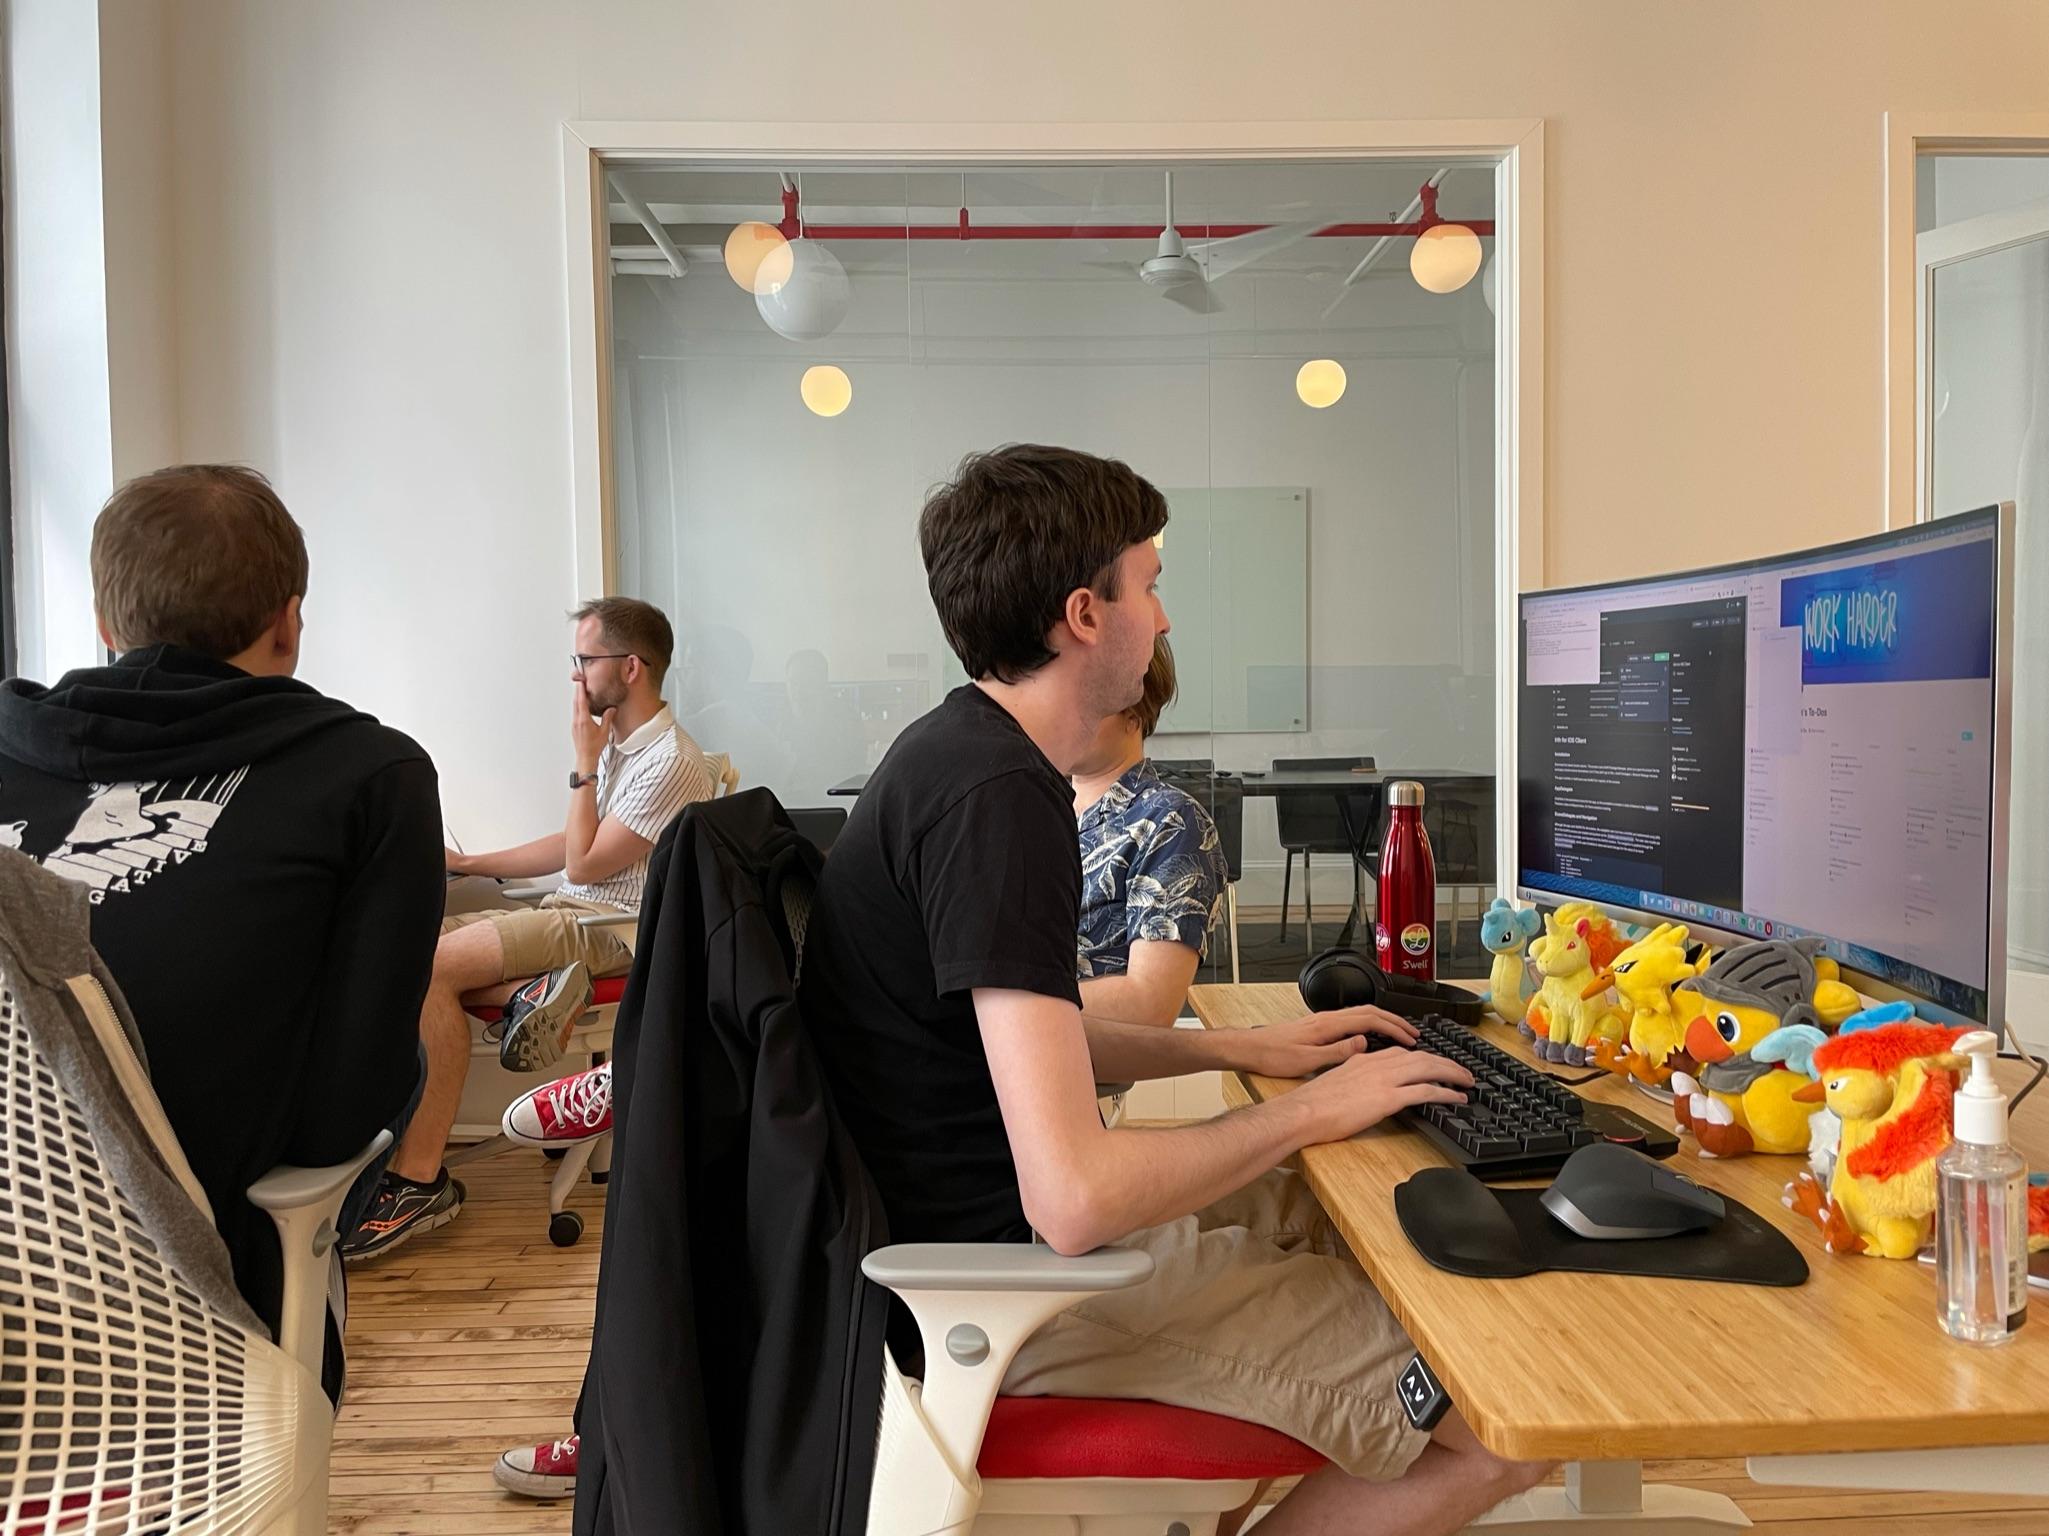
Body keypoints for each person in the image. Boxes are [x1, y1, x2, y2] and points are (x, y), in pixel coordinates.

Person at [796, 443, 1551, 1536]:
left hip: (1002, 1236)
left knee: (1365, 1205)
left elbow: (1038, 1045)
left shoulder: (956, 760)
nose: (1164, 618)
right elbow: (1076, 1197)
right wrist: (1306, 1111)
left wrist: (1241, 1054)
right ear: (1083, 615)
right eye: (1149, 584)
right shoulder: (998, 803)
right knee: (1500, 1408)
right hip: (1024, 1288)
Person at [0, 464, 439, 1399]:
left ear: (105, 622)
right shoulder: (370, 778)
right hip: (199, 1313)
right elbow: (345, 1107)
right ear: (288, 621)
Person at [343, 597, 713, 1261]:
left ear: (630, 668)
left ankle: (419, 1179)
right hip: (564, 915)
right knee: (404, 952)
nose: (575, 676)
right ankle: (527, 994)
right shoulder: (625, 748)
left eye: (584, 660)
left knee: (432, 972)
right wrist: (472, 863)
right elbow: (576, 843)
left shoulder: (673, 762)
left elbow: (583, 860)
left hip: (605, 930)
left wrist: (580, 760)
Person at [1072, 636, 1228, 1027]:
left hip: (1071, 1064)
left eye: (1083, 693)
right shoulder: (1032, 803)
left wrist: (989, 1009)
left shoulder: (1170, 822)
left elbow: (1149, 1006)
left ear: (1134, 707)